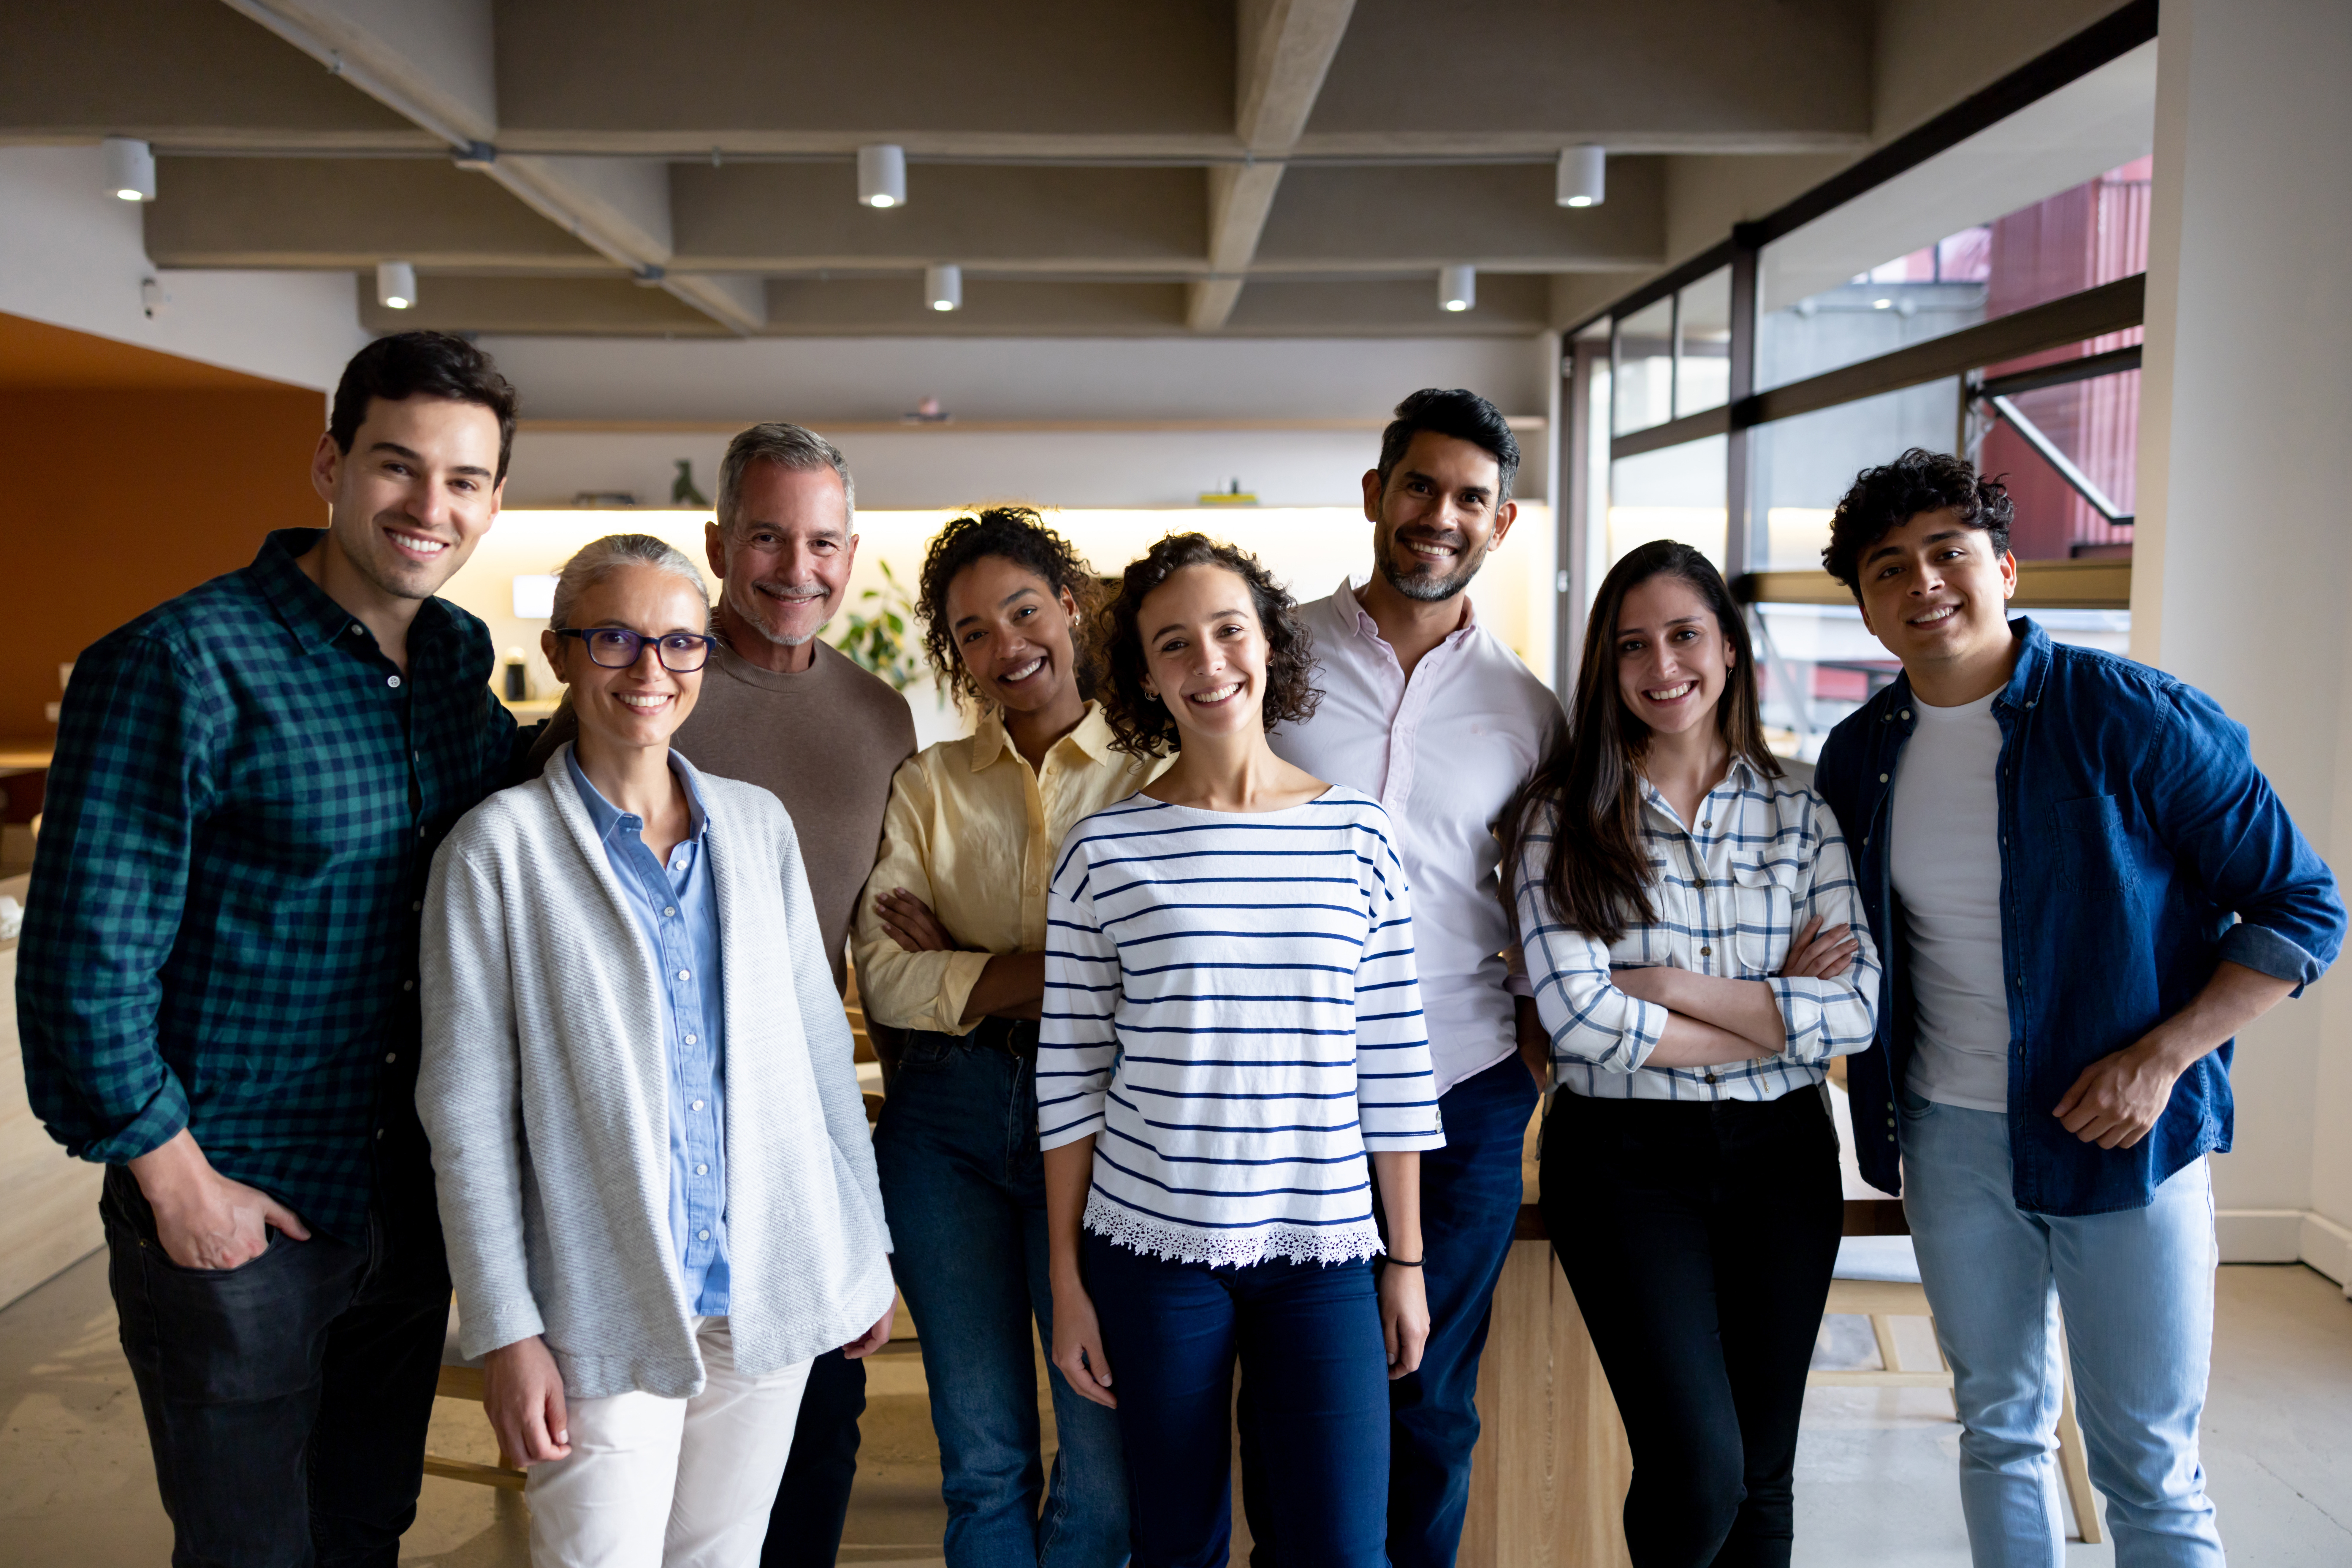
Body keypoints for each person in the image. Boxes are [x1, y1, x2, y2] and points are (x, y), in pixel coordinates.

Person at [15, 331, 522, 1565]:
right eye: (397, 467)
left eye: (463, 481)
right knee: (248, 1551)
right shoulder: (179, 664)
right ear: (329, 462)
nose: (429, 507)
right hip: (241, 1208)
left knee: (364, 1527)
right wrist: (179, 1187)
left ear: (494, 499)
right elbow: (82, 970)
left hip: (405, 1204)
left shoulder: (457, 666)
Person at [1810, 450, 2343, 1567]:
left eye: (1948, 553)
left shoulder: (2132, 718)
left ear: (2003, 566)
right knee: (1997, 1429)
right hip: (1949, 1136)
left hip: (2126, 1142)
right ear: (1864, 606)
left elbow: (2302, 905)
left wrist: (2161, 1057)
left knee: (2145, 1460)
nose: (1924, 584)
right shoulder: (1858, 757)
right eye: (1888, 568)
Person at [420, 535, 896, 1568]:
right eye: (615, 639)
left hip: (765, 1289)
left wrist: (861, 1256)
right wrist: (503, 1328)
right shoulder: (496, 850)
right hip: (601, 1303)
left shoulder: (756, 825)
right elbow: (464, 1115)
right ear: (560, 653)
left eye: (679, 642)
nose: (649, 671)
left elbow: (819, 1056)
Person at [526, 422, 915, 1568]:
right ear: (718, 541)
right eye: (766, 537)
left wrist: (857, 1216)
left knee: (806, 1474)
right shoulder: (638, 686)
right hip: (632, 1189)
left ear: (851, 552)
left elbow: (838, 962)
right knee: (625, 1509)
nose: (797, 568)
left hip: (789, 1172)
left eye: (824, 542)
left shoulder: (880, 715)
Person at [1040, 533, 1446, 1568]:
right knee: (1178, 1546)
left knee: (1345, 1548)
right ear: (1143, 674)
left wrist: (1403, 1262)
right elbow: (1071, 1081)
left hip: (1322, 1250)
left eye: (1229, 629)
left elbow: (1392, 1063)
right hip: (1149, 1250)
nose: (1208, 661)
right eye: (1174, 643)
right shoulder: (1103, 849)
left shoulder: (1358, 835)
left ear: (1269, 641)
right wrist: (1068, 1281)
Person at [1505, 540, 1879, 1568]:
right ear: (1606, 665)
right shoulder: (1559, 817)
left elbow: (1852, 1013)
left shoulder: (1800, 811)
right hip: (1623, 1161)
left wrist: (1665, 987)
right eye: (1633, 645)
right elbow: (1579, 1022)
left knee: (1763, 1475)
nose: (1660, 665)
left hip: (1782, 1160)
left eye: (1683, 635)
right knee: (1696, 1464)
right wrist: (1771, 1009)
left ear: (1728, 646)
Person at [1261, 387, 1561, 1568]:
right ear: (1376, 494)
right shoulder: (1272, 656)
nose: (1441, 514)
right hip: (1290, 1095)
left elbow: (1554, 904)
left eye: (1470, 498)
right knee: (1295, 1392)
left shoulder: (1527, 710)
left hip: (1464, 1096)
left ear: (1503, 521)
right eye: (1420, 486)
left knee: (1431, 1399)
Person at [851, 506, 1155, 1568]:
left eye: (1023, 609)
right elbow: (886, 972)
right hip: (945, 1124)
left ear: (1070, 608)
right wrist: (1064, 974)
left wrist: (971, 970)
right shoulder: (928, 785)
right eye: (972, 629)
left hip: (1114, 1129)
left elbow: (1160, 981)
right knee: (980, 1461)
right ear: (954, 652)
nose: (1006, 643)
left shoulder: (1157, 772)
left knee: (1109, 1468)